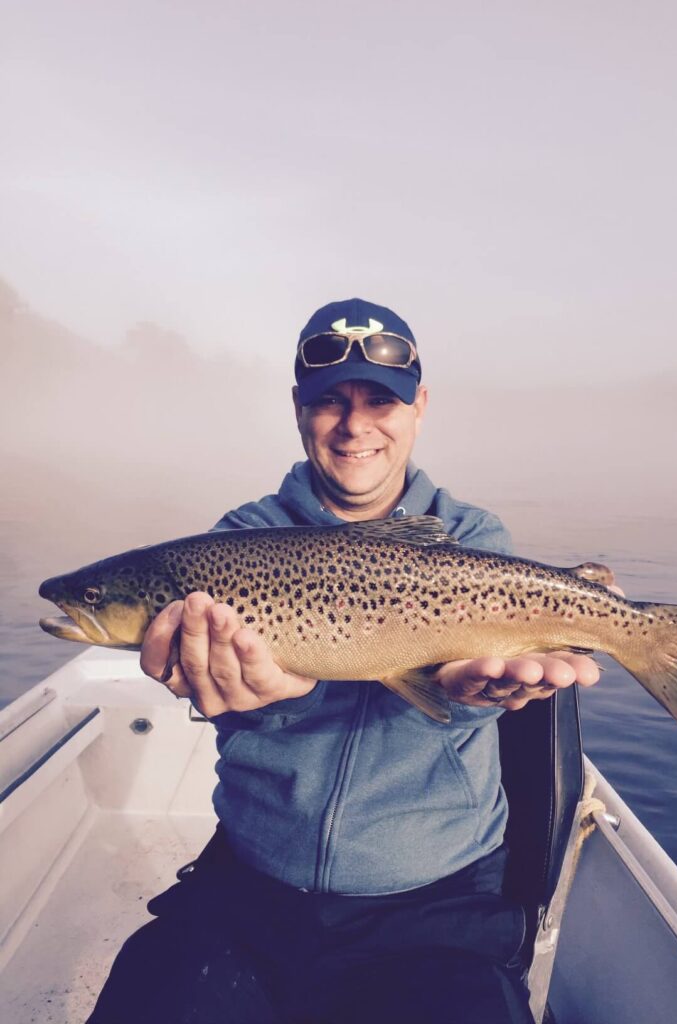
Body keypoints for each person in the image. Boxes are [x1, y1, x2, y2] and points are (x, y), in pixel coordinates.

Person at [87, 298, 605, 1024]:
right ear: (298, 410)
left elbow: (472, 672)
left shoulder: (469, 537)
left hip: (436, 900)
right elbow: (240, 692)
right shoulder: (240, 540)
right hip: (253, 884)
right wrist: (265, 695)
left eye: (380, 401)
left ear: (419, 407)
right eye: (330, 400)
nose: (355, 425)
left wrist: (460, 689)